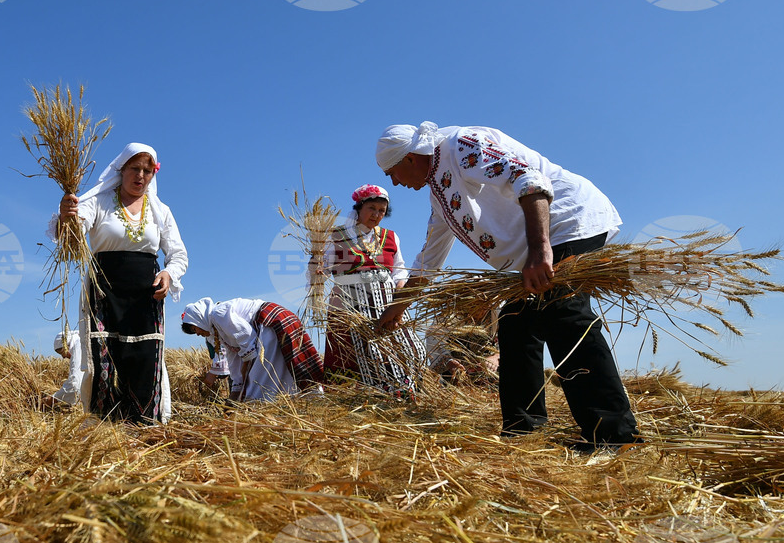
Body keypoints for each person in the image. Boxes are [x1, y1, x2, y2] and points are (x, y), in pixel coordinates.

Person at [374, 122, 639, 447]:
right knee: (515, 324)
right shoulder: (439, 197)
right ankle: (524, 432)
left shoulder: (462, 145)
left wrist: (540, 249)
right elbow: (428, 260)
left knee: (564, 313)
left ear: (410, 158)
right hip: (538, 245)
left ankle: (613, 434)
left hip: (566, 222)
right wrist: (398, 307)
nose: (395, 182)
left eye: (392, 173)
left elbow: (529, 180)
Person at [54, 142, 188, 424]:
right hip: (104, 291)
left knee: (144, 357)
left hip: (146, 295)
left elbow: (178, 255)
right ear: (121, 169)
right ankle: (104, 427)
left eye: (147, 171)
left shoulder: (160, 211)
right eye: (135, 169)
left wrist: (168, 274)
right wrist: (66, 217)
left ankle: (144, 425)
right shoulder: (98, 202)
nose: (141, 176)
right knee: (104, 359)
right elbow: (72, 239)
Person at [313, 184, 427, 397]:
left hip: (385, 303)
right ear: (359, 208)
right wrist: (317, 267)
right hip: (349, 304)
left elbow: (399, 272)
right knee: (352, 353)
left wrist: (399, 298)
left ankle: (399, 393)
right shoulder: (336, 236)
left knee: (406, 348)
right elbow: (323, 269)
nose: (376, 214)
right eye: (372, 208)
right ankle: (354, 400)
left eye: (382, 211)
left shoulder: (391, 237)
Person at [181, 297, 325, 402]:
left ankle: (272, 408)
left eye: (194, 328)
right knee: (287, 368)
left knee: (260, 384)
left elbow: (247, 336)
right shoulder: (219, 332)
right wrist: (236, 390)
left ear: (199, 319)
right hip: (273, 323)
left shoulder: (218, 314)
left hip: (269, 323)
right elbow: (233, 360)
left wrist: (245, 367)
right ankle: (305, 400)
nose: (197, 333)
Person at [48, 328, 90, 410]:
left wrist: (52, 399)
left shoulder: (78, 346)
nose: (63, 357)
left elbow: (74, 384)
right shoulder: (83, 344)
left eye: (61, 352)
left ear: (67, 346)